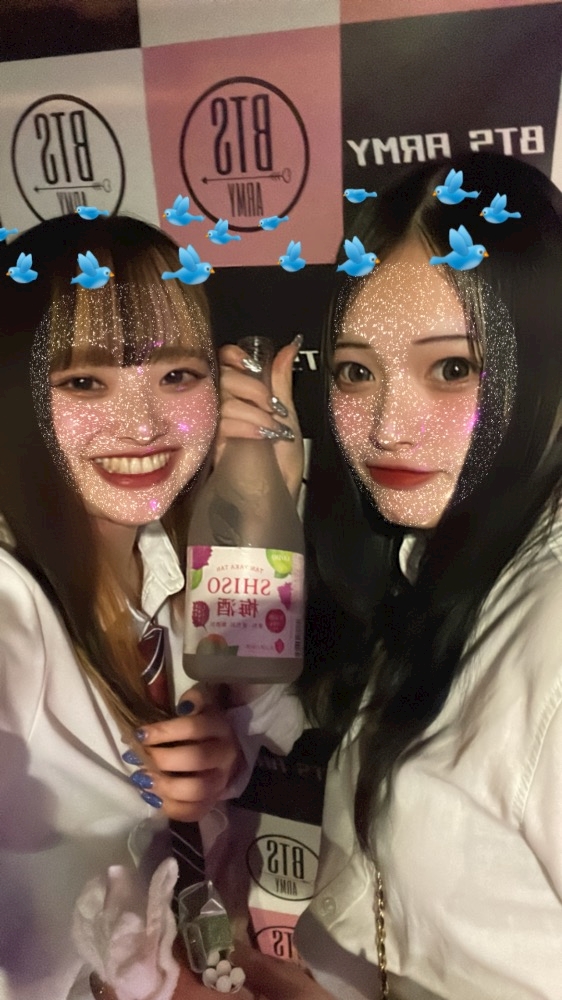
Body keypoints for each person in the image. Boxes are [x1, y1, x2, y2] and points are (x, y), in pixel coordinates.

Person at [219, 152, 562, 1000]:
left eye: (452, 368)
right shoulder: (444, 558)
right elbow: (290, 719)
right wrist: (262, 517)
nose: (386, 428)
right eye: (356, 371)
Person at [0, 214, 303, 1000]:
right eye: (84, 382)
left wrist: (262, 504)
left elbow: (284, 740)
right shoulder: (13, 606)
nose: (141, 427)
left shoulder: (179, 555)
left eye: (176, 376)